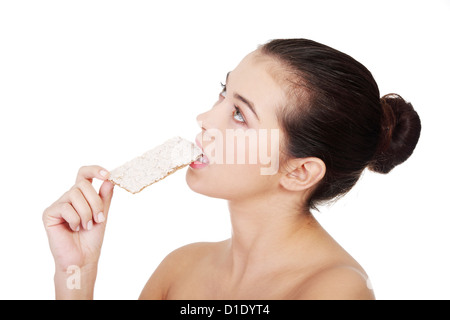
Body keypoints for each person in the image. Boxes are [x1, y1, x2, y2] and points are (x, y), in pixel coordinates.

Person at [42, 39, 421, 300]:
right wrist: (77, 274)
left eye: (240, 115)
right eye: (223, 92)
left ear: (298, 172)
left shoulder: (336, 291)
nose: (204, 118)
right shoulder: (180, 268)